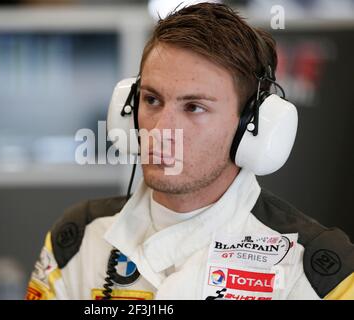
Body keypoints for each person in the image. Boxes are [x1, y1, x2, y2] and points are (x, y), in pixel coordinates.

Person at [26, 3, 353, 300]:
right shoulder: (77, 240)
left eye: (194, 107)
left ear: (251, 125)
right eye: (152, 100)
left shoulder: (319, 270)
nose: (160, 130)